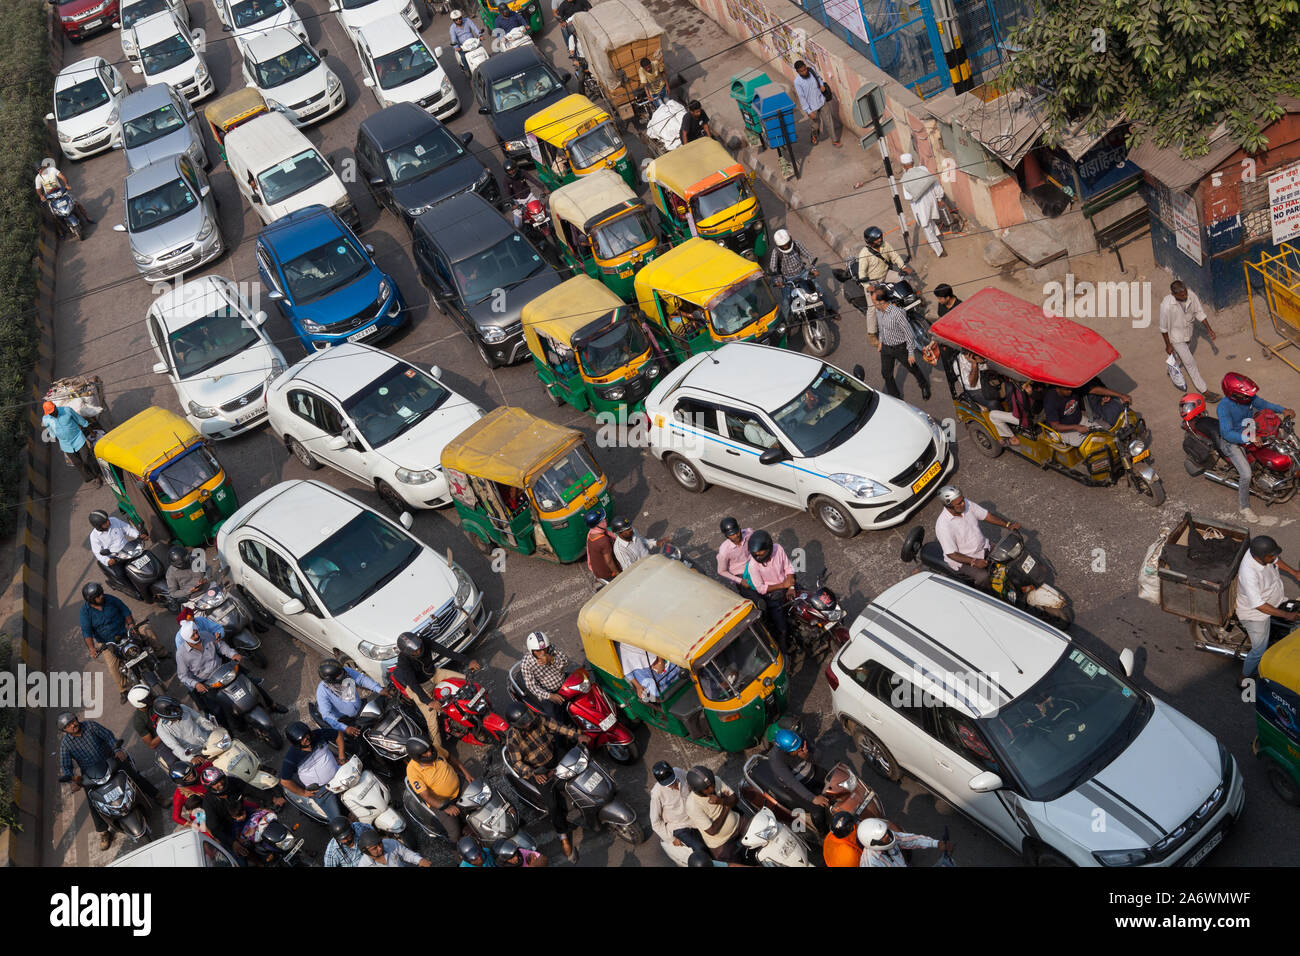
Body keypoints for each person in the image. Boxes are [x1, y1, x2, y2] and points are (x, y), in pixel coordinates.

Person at [58, 711, 162, 850]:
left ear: (77, 720)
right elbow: (66, 765)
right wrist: (73, 779)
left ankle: (157, 796)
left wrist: (117, 749)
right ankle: (104, 832)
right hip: (90, 773)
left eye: (73, 721)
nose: (73, 725)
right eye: (69, 725)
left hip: (109, 761)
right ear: (64, 730)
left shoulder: (90, 726)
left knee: (132, 776)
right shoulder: (65, 744)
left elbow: (108, 736)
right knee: (92, 802)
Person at [503, 701, 584, 862]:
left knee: (580, 769)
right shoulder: (513, 738)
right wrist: (533, 773)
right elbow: (517, 764)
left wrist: (576, 735)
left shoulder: (537, 719)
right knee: (552, 805)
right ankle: (563, 838)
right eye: (524, 722)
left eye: (528, 717)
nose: (528, 722)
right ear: (516, 725)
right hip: (538, 771)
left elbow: (557, 727)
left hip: (554, 756)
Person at [175, 617, 287, 726]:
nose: (196, 635)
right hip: (207, 683)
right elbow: (183, 676)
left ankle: (272, 705)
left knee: (249, 683)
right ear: (187, 639)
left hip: (223, 670)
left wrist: (233, 654)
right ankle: (229, 734)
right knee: (218, 709)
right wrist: (196, 684)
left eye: (196, 632)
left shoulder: (205, 635)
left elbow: (221, 646)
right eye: (193, 635)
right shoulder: (181, 654)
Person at [1217, 372, 1294, 523]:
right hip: (1233, 441)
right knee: (1246, 474)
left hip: (1251, 430)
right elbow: (1227, 433)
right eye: (1246, 396)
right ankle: (1244, 507)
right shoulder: (1224, 407)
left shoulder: (1248, 399)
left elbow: (1264, 404)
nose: (1250, 398)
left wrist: (1283, 410)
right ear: (1234, 395)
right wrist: (1248, 438)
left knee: (1283, 442)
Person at [391, 628, 482, 748]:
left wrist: (468, 660)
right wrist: (429, 702)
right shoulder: (403, 661)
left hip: (434, 674)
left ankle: (480, 711)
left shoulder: (425, 641)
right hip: (419, 687)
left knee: (466, 681)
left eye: (419, 647)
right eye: (415, 651)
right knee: (432, 721)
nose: (419, 651)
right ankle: (438, 754)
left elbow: (447, 652)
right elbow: (413, 684)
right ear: (407, 652)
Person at [79, 581, 167, 701]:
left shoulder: (110, 599)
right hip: (107, 642)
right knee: (113, 666)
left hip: (125, 630)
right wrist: (92, 648)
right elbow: (86, 632)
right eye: (98, 596)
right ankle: (123, 689)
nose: (102, 596)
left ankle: (162, 653)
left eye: (101, 593)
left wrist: (131, 624)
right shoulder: (85, 612)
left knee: (146, 630)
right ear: (91, 600)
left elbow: (125, 610)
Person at [1236, 535, 1300, 686]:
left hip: (1275, 599)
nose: (1275, 557)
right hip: (1256, 613)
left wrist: (1294, 572)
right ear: (1261, 557)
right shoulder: (1249, 573)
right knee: (1259, 650)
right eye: (1272, 555)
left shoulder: (1262, 555)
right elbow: (1259, 605)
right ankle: (1243, 678)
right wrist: (1286, 615)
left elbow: (1275, 560)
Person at [934, 485, 1020, 590]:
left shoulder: (966, 504)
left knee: (1010, 554)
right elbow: (952, 554)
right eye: (959, 503)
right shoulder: (943, 526)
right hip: (965, 560)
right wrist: (973, 561)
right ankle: (991, 598)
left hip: (984, 547)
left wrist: (1008, 525)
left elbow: (986, 515)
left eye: (962, 500)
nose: (964, 503)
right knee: (983, 577)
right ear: (949, 506)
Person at [1160, 280, 1218, 399]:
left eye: (1185, 293)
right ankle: (1204, 390)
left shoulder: (1191, 295)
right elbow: (1163, 328)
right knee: (1190, 363)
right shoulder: (1166, 306)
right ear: (1173, 294)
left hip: (1188, 333)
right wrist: (1168, 345)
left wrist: (1209, 330)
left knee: (1177, 355)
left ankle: (1171, 367)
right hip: (1176, 337)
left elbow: (1199, 313)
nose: (1185, 296)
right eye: (1182, 295)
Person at [406, 738, 473, 840]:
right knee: (455, 834)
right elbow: (426, 796)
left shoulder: (436, 749)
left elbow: (451, 758)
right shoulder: (412, 770)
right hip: (441, 802)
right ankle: (458, 854)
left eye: (429, 749)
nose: (430, 753)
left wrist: (466, 773)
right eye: (425, 753)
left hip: (459, 785)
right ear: (417, 756)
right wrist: (445, 808)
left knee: (480, 801)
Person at [856, 226, 914, 342]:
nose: (880, 239)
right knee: (873, 308)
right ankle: (871, 333)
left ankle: (911, 300)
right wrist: (868, 287)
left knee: (903, 279)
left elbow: (894, 256)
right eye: (877, 239)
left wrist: (903, 267)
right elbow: (861, 274)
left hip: (886, 274)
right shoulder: (864, 254)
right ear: (870, 242)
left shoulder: (885, 245)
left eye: (880, 237)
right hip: (872, 281)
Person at [280, 722, 347, 821]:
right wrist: (303, 792)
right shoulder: (291, 757)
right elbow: (285, 781)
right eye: (302, 739)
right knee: (338, 820)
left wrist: (342, 757)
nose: (306, 740)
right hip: (322, 790)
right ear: (296, 743)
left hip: (339, 774)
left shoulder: (318, 734)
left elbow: (338, 734)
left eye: (306, 735)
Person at [873, 287, 929, 401]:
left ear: (881, 302)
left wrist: (911, 353)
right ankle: (896, 398)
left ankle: (924, 385)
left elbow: (908, 333)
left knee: (913, 368)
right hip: (886, 348)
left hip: (900, 348)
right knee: (886, 374)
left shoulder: (897, 313)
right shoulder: (878, 311)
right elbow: (881, 327)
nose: (873, 305)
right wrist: (880, 341)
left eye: (874, 302)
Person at [744, 530, 795, 651]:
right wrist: (783, 585)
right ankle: (785, 653)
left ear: (769, 548)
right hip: (772, 595)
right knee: (782, 629)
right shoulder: (753, 565)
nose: (758, 557)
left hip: (788, 585)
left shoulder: (778, 549)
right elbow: (761, 588)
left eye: (760, 554)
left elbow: (788, 567)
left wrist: (791, 587)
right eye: (755, 554)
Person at [954, 349, 1019, 444]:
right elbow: (972, 383)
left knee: (1009, 387)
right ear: (968, 355)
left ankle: (1014, 416)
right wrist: (974, 364)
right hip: (976, 390)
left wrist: (985, 361)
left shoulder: (978, 352)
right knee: (993, 403)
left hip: (988, 382)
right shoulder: (958, 364)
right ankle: (1006, 432)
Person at [769, 729, 828, 830]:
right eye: (794, 750)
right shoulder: (776, 760)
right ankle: (823, 832)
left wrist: (808, 756)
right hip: (796, 785)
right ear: (785, 750)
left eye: (799, 745)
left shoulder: (800, 739)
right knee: (818, 811)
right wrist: (813, 799)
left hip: (812, 772)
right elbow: (792, 783)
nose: (799, 749)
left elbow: (819, 756)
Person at [1042, 380, 1131, 447]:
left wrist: (1121, 396)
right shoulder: (1050, 401)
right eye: (1067, 389)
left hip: (1079, 420)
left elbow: (1095, 390)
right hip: (1064, 430)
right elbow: (1056, 426)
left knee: (1104, 434)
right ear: (1058, 388)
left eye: (1071, 388)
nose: (1070, 391)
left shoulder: (1073, 388)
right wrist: (1075, 427)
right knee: (1090, 444)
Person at [650, 761, 711, 858]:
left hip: (695, 814)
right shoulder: (656, 794)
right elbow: (655, 822)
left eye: (672, 780)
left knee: (713, 837)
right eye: (668, 784)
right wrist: (671, 839)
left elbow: (692, 785)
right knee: (700, 848)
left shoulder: (678, 771)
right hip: (679, 826)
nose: (672, 785)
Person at [684, 765, 743, 861]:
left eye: (712, 784)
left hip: (738, 823)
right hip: (720, 842)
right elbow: (712, 830)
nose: (712, 789)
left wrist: (721, 801)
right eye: (706, 788)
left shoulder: (716, 779)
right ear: (697, 790)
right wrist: (726, 807)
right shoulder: (692, 805)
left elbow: (735, 799)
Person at [315, 658, 384, 738]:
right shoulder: (322, 691)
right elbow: (326, 714)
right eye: (339, 675)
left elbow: (361, 679)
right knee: (362, 744)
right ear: (331, 680)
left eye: (342, 672)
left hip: (361, 709)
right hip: (347, 721)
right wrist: (345, 728)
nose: (344, 675)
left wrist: (379, 689)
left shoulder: (344, 672)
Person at [88, 510, 149, 595]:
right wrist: (108, 561)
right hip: (116, 557)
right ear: (98, 527)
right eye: (105, 523)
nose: (108, 522)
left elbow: (128, 529)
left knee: (146, 556)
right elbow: (98, 553)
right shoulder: (94, 537)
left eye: (107, 519)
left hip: (128, 549)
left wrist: (138, 536)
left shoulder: (114, 520)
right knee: (121, 574)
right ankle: (134, 591)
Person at [898, 153, 945, 257]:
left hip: (920, 206)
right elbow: (935, 184)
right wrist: (939, 197)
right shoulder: (923, 169)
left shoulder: (905, 178)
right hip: (931, 201)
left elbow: (908, 197)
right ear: (913, 162)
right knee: (930, 219)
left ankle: (939, 251)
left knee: (926, 227)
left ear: (903, 165)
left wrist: (916, 189)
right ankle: (937, 234)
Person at [42, 400, 100, 484]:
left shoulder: (67, 410)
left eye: (53, 411)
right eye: (50, 413)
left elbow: (80, 420)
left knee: (86, 458)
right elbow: (52, 433)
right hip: (65, 445)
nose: (53, 414)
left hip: (78, 438)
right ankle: (90, 478)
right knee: (77, 462)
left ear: (55, 407)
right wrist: (60, 445)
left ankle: (96, 475)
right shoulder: (46, 419)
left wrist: (91, 432)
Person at [857, 817, 951, 867]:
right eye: (883, 836)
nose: (887, 835)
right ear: (873, 843)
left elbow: (911, 840)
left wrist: (936, 843)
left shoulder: (889, 837)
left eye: (886, 831)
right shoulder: (870, 864)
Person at [153, 696, 220, 766]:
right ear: (166, 714)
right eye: (174, 710)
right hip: (197, 755)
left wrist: (213, 728)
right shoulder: (161, 729)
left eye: (177, 707)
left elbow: (200, 719)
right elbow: (175, 747)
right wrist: (191, 758)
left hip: (209, 742)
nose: (178, 710)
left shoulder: (183, 708)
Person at [519, 630, 570, 719]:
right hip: (547, 692)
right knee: (555, 717)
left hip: (563, 682)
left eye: (544, 649)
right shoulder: (526, 663)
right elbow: (532, 686)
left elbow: (566, 662)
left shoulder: (552, 649)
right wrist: (550, 696)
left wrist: (552, 659)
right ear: (532, 651)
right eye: (538, 651)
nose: (542, 653)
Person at [34, 158, 93, 233]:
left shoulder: (52, 170)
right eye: (38, 170)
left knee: (76, 203)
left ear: (43, 167)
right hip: (50, 197)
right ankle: (60, 231)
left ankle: (87, 218)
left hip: (60, 191)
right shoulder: (38, 178)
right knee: (54, 215)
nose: (40, 171)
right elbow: (38, 189)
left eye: (40, 168)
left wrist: (66, 185)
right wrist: (41, 196)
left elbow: (62, 176)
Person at [767, 228, 817, 316]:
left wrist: (814, 269)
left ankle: (829, 309)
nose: (786, 247)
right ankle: (786, 325)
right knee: (786, 302)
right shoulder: (776, 252)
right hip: (787, 279)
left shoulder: (796, 244)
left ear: (790, 238)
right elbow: (773, 269)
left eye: (787, 244)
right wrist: (777, 281)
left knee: (817, 290)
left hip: (802, 273)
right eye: (783, 246)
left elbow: (809, 255)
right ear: (778, 245)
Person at [792, 59, 841, 147]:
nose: (804, 72)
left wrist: (821, 84)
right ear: (798, 72)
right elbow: (801, 97)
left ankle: (835, 140)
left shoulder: (811, 71)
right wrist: (808, 111)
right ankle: (814, 135)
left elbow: (818, 77)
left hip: (822, 101)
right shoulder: (797, 82)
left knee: (829, 122)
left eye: (805, 69)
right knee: (815, 126)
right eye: (801, 71)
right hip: (811, 108)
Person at [716, 517, 763, 602]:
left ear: (739, 528)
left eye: (737, 532)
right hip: (741, 575)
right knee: (757, 601)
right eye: (732, 534)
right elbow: (721, 571)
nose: (736, 535)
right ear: (726, 535)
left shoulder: (749, 533)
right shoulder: (724, 551)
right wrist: (740, 581)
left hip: (755, 565)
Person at [358, 828, 432, 867]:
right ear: (365, 852)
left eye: (380, 843)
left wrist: (419, 860)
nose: (380, 848)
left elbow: (405, 853)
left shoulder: (390, 843)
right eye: (374, 848)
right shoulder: (363, 865)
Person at [585, 508, 619, 584]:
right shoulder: (603, 541)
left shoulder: (591, 533)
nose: (605, 520)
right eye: (602, 520)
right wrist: (618, 574)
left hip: (597, 571)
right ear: (597, 525)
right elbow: (609, 561)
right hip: (608, 574)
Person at [126, 683, 162, 750]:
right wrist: (166, 733)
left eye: (151, 694)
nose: (153, 697)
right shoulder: (138, 721)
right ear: (140, 703)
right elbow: (151, 744)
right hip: (162, 742)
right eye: (148, 697)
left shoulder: (158, 700)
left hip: (176, 727)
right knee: (173, 760)